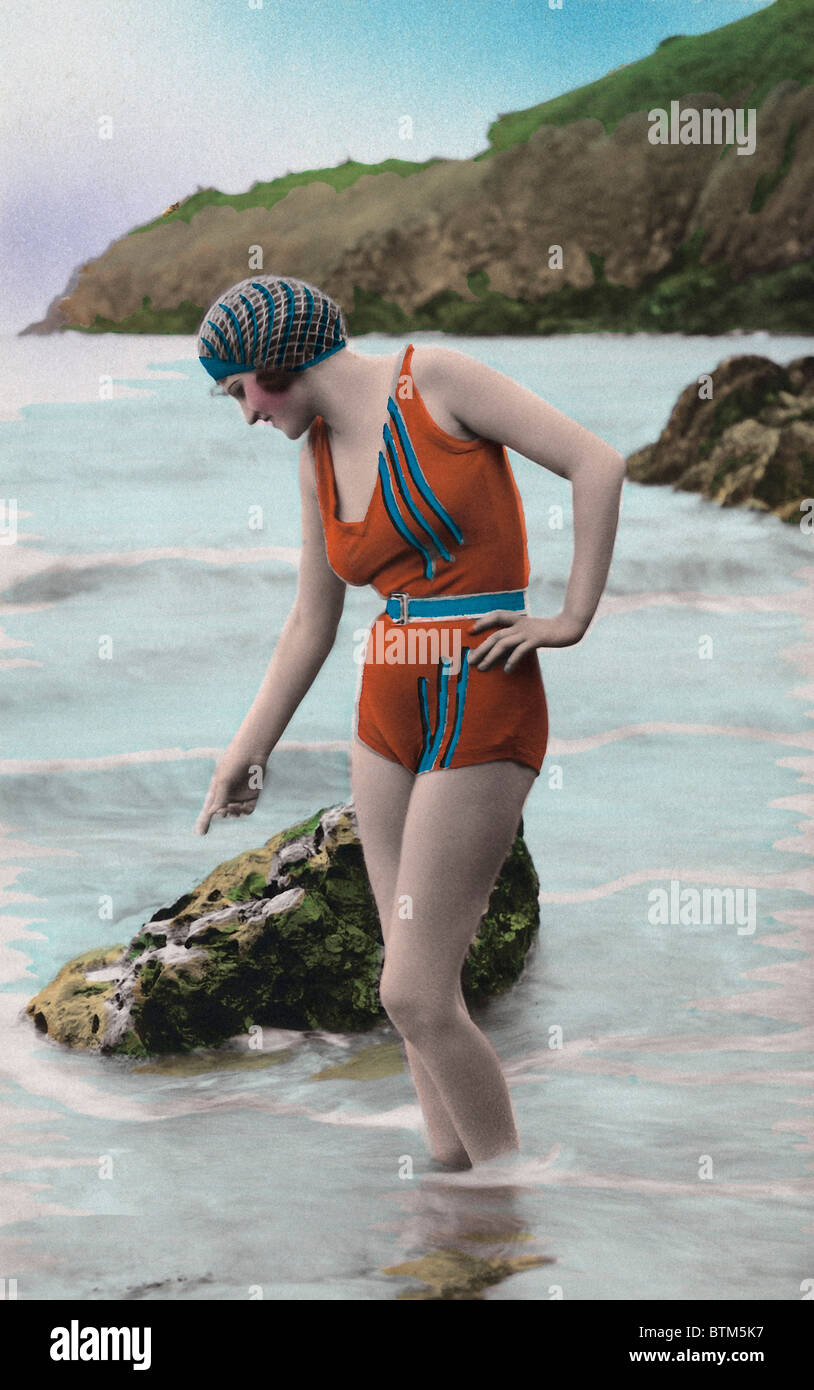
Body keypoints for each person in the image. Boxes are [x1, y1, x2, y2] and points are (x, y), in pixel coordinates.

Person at [193, 273, 626, 1171]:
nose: (245, 415)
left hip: (486, 697)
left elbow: (597, 463)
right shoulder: (313, 459)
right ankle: (450, 1200)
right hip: (385, 712)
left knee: (416, 992)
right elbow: (313, 620)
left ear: (275, 364)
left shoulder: (440, 382)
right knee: (415, 992)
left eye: (240, 390)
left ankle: (508, 1203)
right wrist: (248, 751)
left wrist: (571, 616)